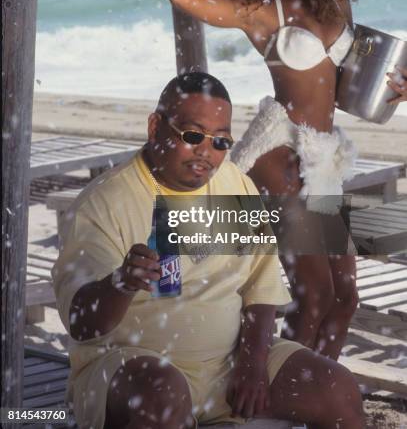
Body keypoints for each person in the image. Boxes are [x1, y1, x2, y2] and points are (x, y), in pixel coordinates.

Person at [52, 72, 365, 429]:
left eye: (220, 141)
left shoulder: (232, 184)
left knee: (337, 390)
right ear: (155, 127)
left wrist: (253, 361)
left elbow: (260, 288)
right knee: (161, 394)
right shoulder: (104, 202)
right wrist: (120, 285)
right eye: (192, 135)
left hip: (227, 365)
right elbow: (81, 323)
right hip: (133, 370)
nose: (206, 151)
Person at [170, 0, 365, 361]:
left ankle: (317, 388)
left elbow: (342, 86)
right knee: (315, 296)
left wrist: (397, 92)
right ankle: (287, 392)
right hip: (280, 152)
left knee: (344, 300)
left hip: (324, 157)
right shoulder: (260, 11)